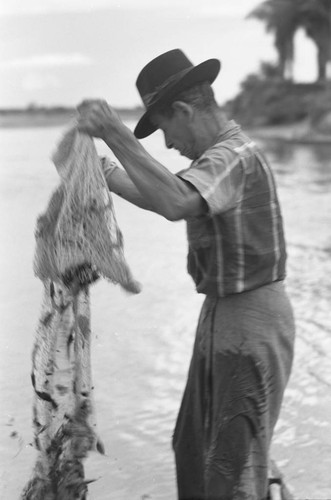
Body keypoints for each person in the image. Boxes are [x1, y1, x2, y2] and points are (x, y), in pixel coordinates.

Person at [77, 49, 295, 500]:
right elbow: (164, 194)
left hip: (252, 323)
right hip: (220, 316)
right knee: (192, 448)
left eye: (163, 129)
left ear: (182, 111)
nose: (168, 143)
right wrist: (104, 172)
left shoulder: (235, 155)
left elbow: (176, 202)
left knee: (231, 471)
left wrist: (117, 135)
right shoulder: (214, 161)